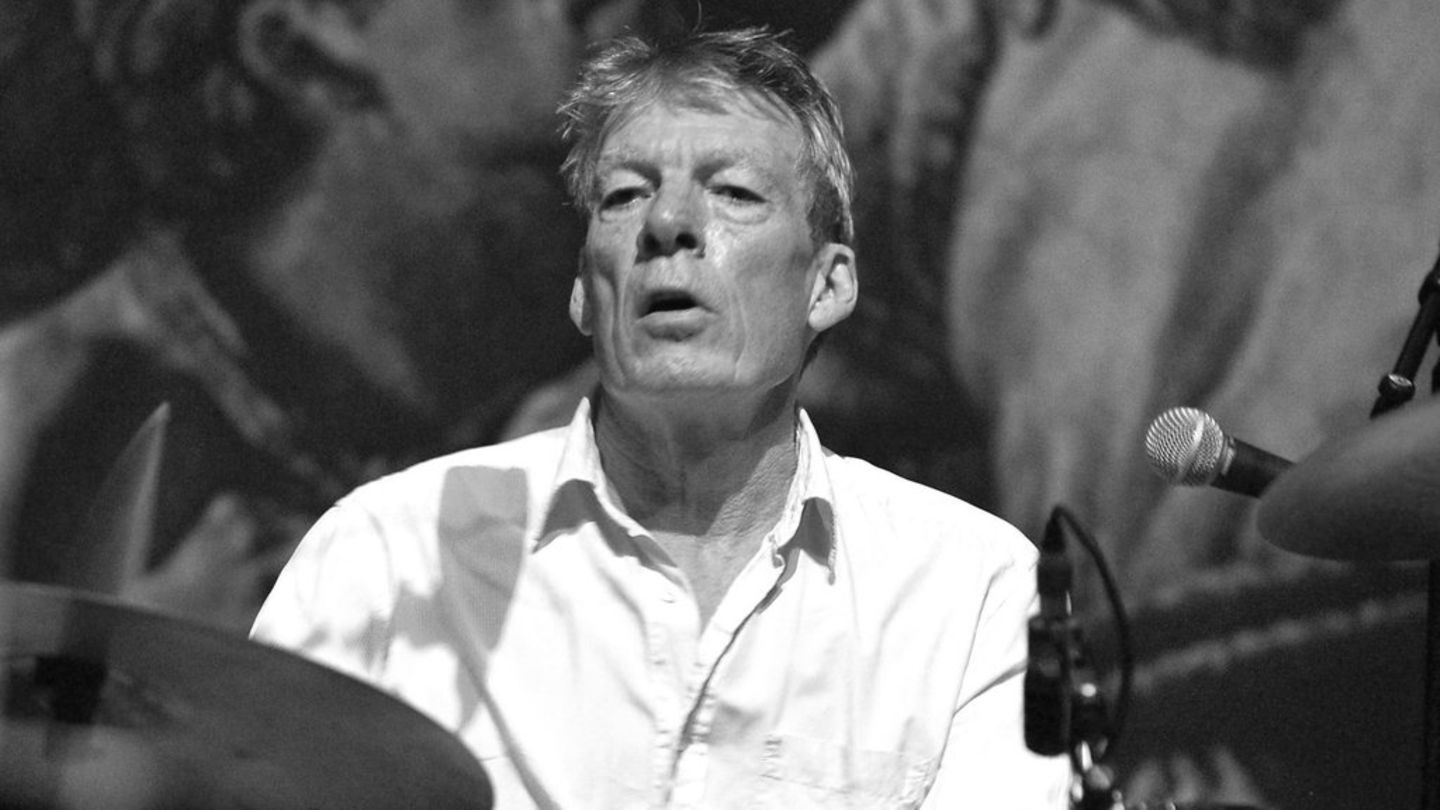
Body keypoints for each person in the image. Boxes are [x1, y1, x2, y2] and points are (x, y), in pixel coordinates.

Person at [251, 26, 1071, 808]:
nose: (666, 225)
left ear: (827, 287)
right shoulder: (384, 557)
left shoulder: (971, 590)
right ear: (585, 291)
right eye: (624, 197)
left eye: (734, 193)